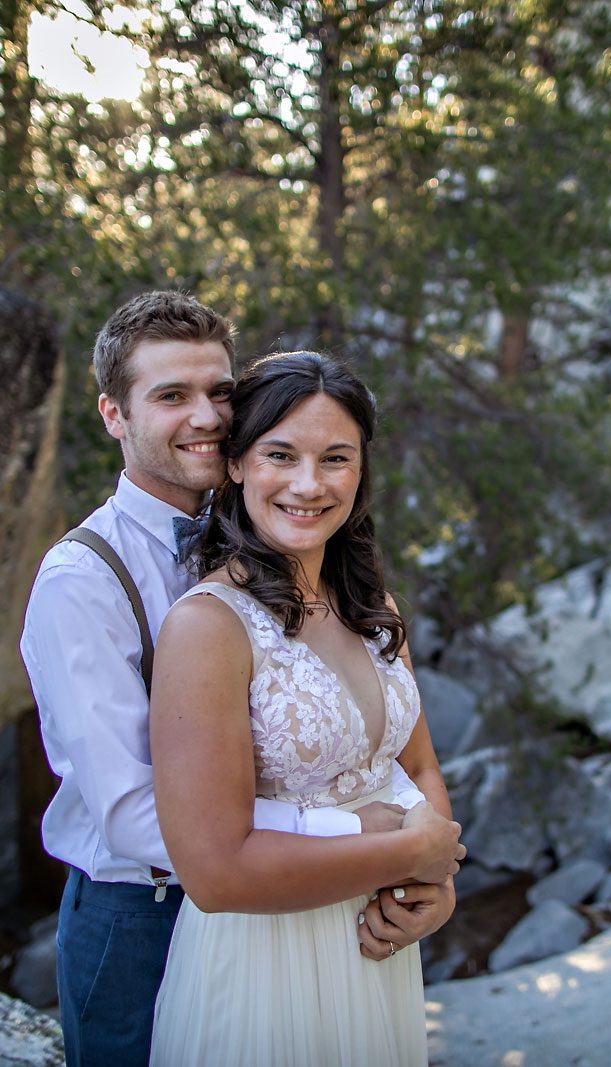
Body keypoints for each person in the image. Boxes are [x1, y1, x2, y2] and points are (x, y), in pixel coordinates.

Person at [19, 292, 462, 1067]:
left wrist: (426, 870)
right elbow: (133, 815)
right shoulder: (81, 580)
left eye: (219, 392)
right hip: (143, 915)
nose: (205, 416)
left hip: (331, 911)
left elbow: (399, 749)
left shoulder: (295, 542)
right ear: (114, 415)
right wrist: (376, 838)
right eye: (170, 396)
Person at [149, 351, 457, 1067]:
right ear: (236, 465)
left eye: (336, 458)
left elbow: (416, 765)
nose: (308, 484)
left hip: (374, 953)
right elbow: (214, 872)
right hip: (266, 962)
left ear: (361, 471)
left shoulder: (373, 606)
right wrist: (412, 852)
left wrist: (434, 888)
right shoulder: (208, 626)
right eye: (279, 455)